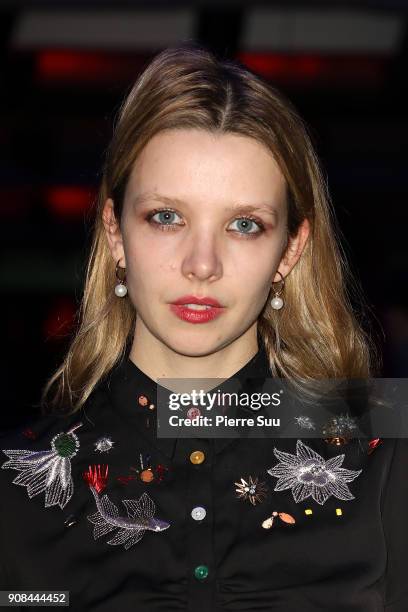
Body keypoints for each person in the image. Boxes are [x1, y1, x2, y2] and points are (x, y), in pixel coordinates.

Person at [0, 43, 406, 612]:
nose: (202, 264)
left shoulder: (387, 448)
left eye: (244, 224)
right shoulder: (16, 490)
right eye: (167, 217)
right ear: (115, 233)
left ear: (290, 251)